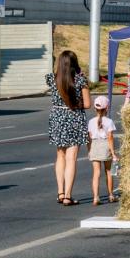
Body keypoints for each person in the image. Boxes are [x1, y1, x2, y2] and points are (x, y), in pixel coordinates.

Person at [47, 50, 91, 206]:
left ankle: (59, 192)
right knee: (71, 158)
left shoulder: (52, 79)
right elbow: (87, 104)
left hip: (57, 117)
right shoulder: (80, 80)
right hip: (74, 118)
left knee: (60, 156)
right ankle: (67, 195)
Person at [87, 96, 118, 205]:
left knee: (96, 173)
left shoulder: (91, 122)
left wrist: (89, 150)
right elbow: (110, 137)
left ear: (95, 109)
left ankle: (96, 197)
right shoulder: (109, 121)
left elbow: (89, 137)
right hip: (105, 145)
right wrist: (113, 152)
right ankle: (110, 195)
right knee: (108, 171)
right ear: (107, 108)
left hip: (95, 145)